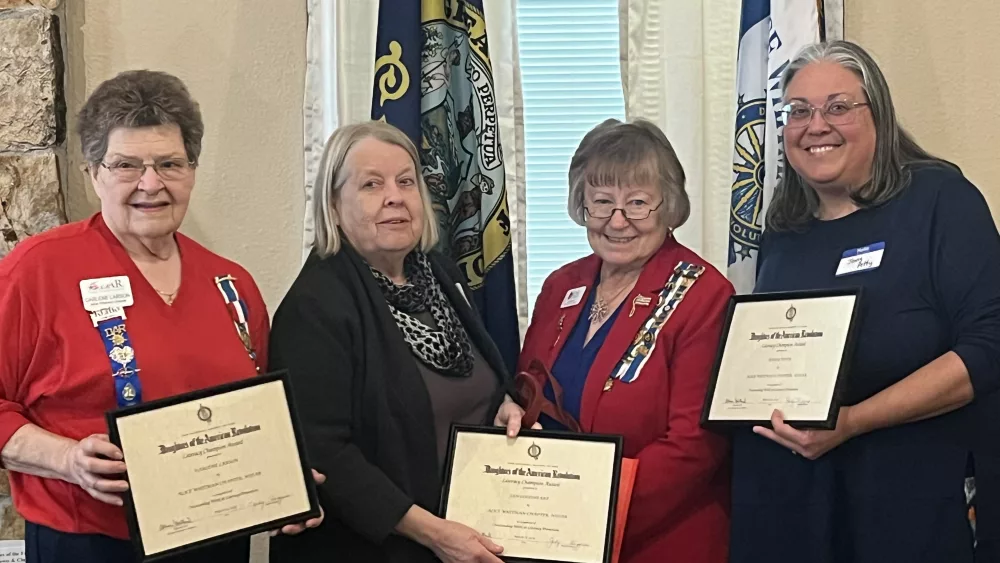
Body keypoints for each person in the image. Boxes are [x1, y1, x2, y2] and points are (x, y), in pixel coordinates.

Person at [0, 70, 321, 563]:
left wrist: (285, 476)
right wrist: (66, 459)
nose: (151, 184)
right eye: (126, 165)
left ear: (193, 169)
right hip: (91, 543)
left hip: (218, 543)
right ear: (93, 173)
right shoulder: (38, 271)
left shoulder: (231, 286)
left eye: (170, 163)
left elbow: (258, 413)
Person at [729, 40, 1000, 563]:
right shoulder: (783, 235)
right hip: (800, 507)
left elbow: (989, 346)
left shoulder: (940, 202)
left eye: (838, 107)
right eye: (798, 111)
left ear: (878, 114)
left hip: (914, 504)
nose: (816, 125)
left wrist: (853, 420)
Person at [267, 121, 527, 563]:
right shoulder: (315, 306)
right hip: (375, 550)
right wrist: (436, 534)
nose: (395, 196)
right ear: (333, 205)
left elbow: (474, 376)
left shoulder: (437, 273)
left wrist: (503, 404)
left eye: (406, 181)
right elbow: (327, 455)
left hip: (465, 536)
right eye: (371, 184)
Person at [512, 118, 733, 563]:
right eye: (601, 202)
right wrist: (512, 409)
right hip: (550, 535)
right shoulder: (561, 285)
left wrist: (590, 510)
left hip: (658, 540)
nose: (617, 221)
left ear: (668, 206)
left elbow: (695, 443)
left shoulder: (704, 293)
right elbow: (526, 388)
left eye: (637, 203)